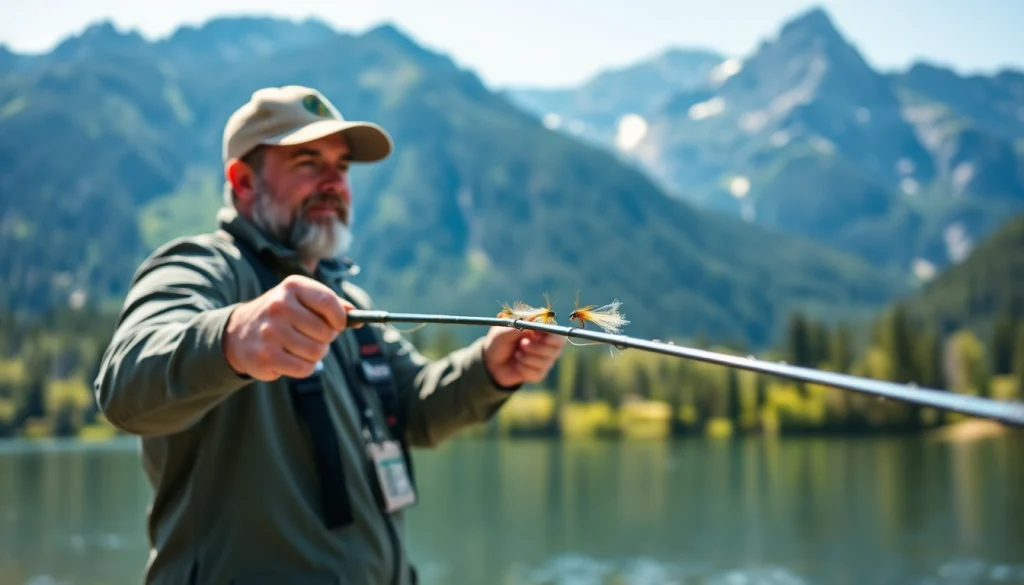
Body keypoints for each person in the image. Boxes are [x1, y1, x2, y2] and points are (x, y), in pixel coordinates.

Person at [93, 85, 566, 585]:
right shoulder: (203, 266)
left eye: (342, 167)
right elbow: (124, 382)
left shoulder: (349, 301)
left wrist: (490, 368)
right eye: (307, 162)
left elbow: (413, 408)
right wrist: (234, 338)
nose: (333, 183)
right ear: (244, 180)